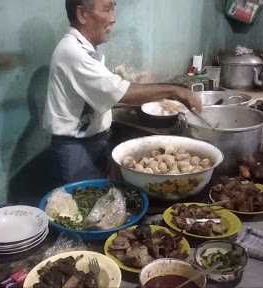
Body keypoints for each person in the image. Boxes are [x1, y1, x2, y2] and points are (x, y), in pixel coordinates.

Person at [43, 0, 202, 185]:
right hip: (76, 149)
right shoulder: (72, 52)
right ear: (82, 14)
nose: (113, 19)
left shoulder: (87, 50)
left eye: (114, 8)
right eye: (107, 9)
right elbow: (118, 92)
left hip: (96, 140)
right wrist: (176, 91)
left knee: (102, 202)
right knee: (82, 207)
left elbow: (103, 94)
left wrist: (146, 92)